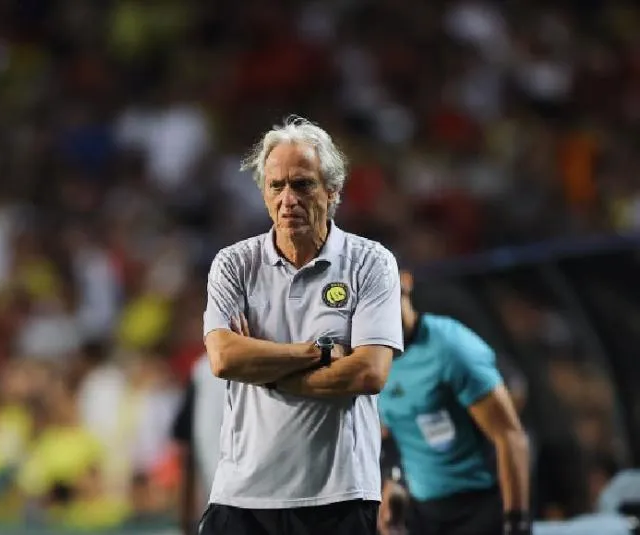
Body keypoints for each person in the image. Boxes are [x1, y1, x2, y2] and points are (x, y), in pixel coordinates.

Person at [199, 116, 403, 535]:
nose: (288, 199)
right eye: (276, 186)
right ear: (264, 193)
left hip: (340, 497)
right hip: (242, 498)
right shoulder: (234, 264)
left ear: (332, 191)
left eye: (302, 184)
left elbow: (368, 372)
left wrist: (265, 370)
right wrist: (317, 352)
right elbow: (224, 359)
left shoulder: (371, 262)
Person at [378, 271, 531, 535]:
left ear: (405, 283)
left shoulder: (451, 347)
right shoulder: (373, 362)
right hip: (424, 513)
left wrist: (516, 522)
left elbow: (509, 436)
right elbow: (389, 434)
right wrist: (394, 482)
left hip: (479, 506)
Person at [171, 355, 227, 535]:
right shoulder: (203, 370)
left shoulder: (204, 368)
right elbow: (186, 449)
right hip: (221, 505)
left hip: (228, 504)